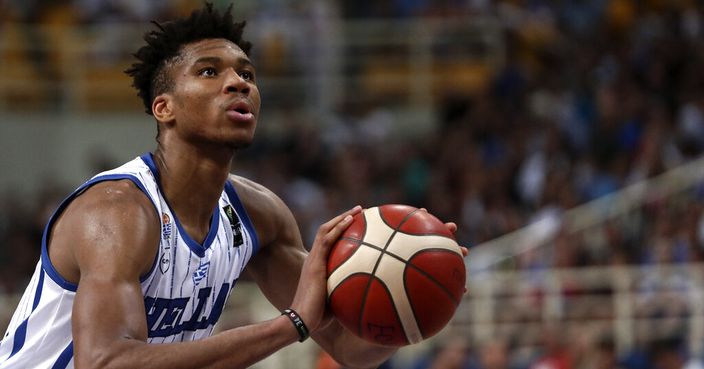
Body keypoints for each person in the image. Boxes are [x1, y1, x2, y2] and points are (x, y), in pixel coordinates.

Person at [0, 3, 466, 368]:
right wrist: (290, 325)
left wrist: (420, 298)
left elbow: (348, 347)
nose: (237, 84)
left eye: (247, 74)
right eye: (210, 72)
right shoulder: (118, 212)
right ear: (165, 108)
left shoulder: (258, 216)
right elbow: (105, 362)